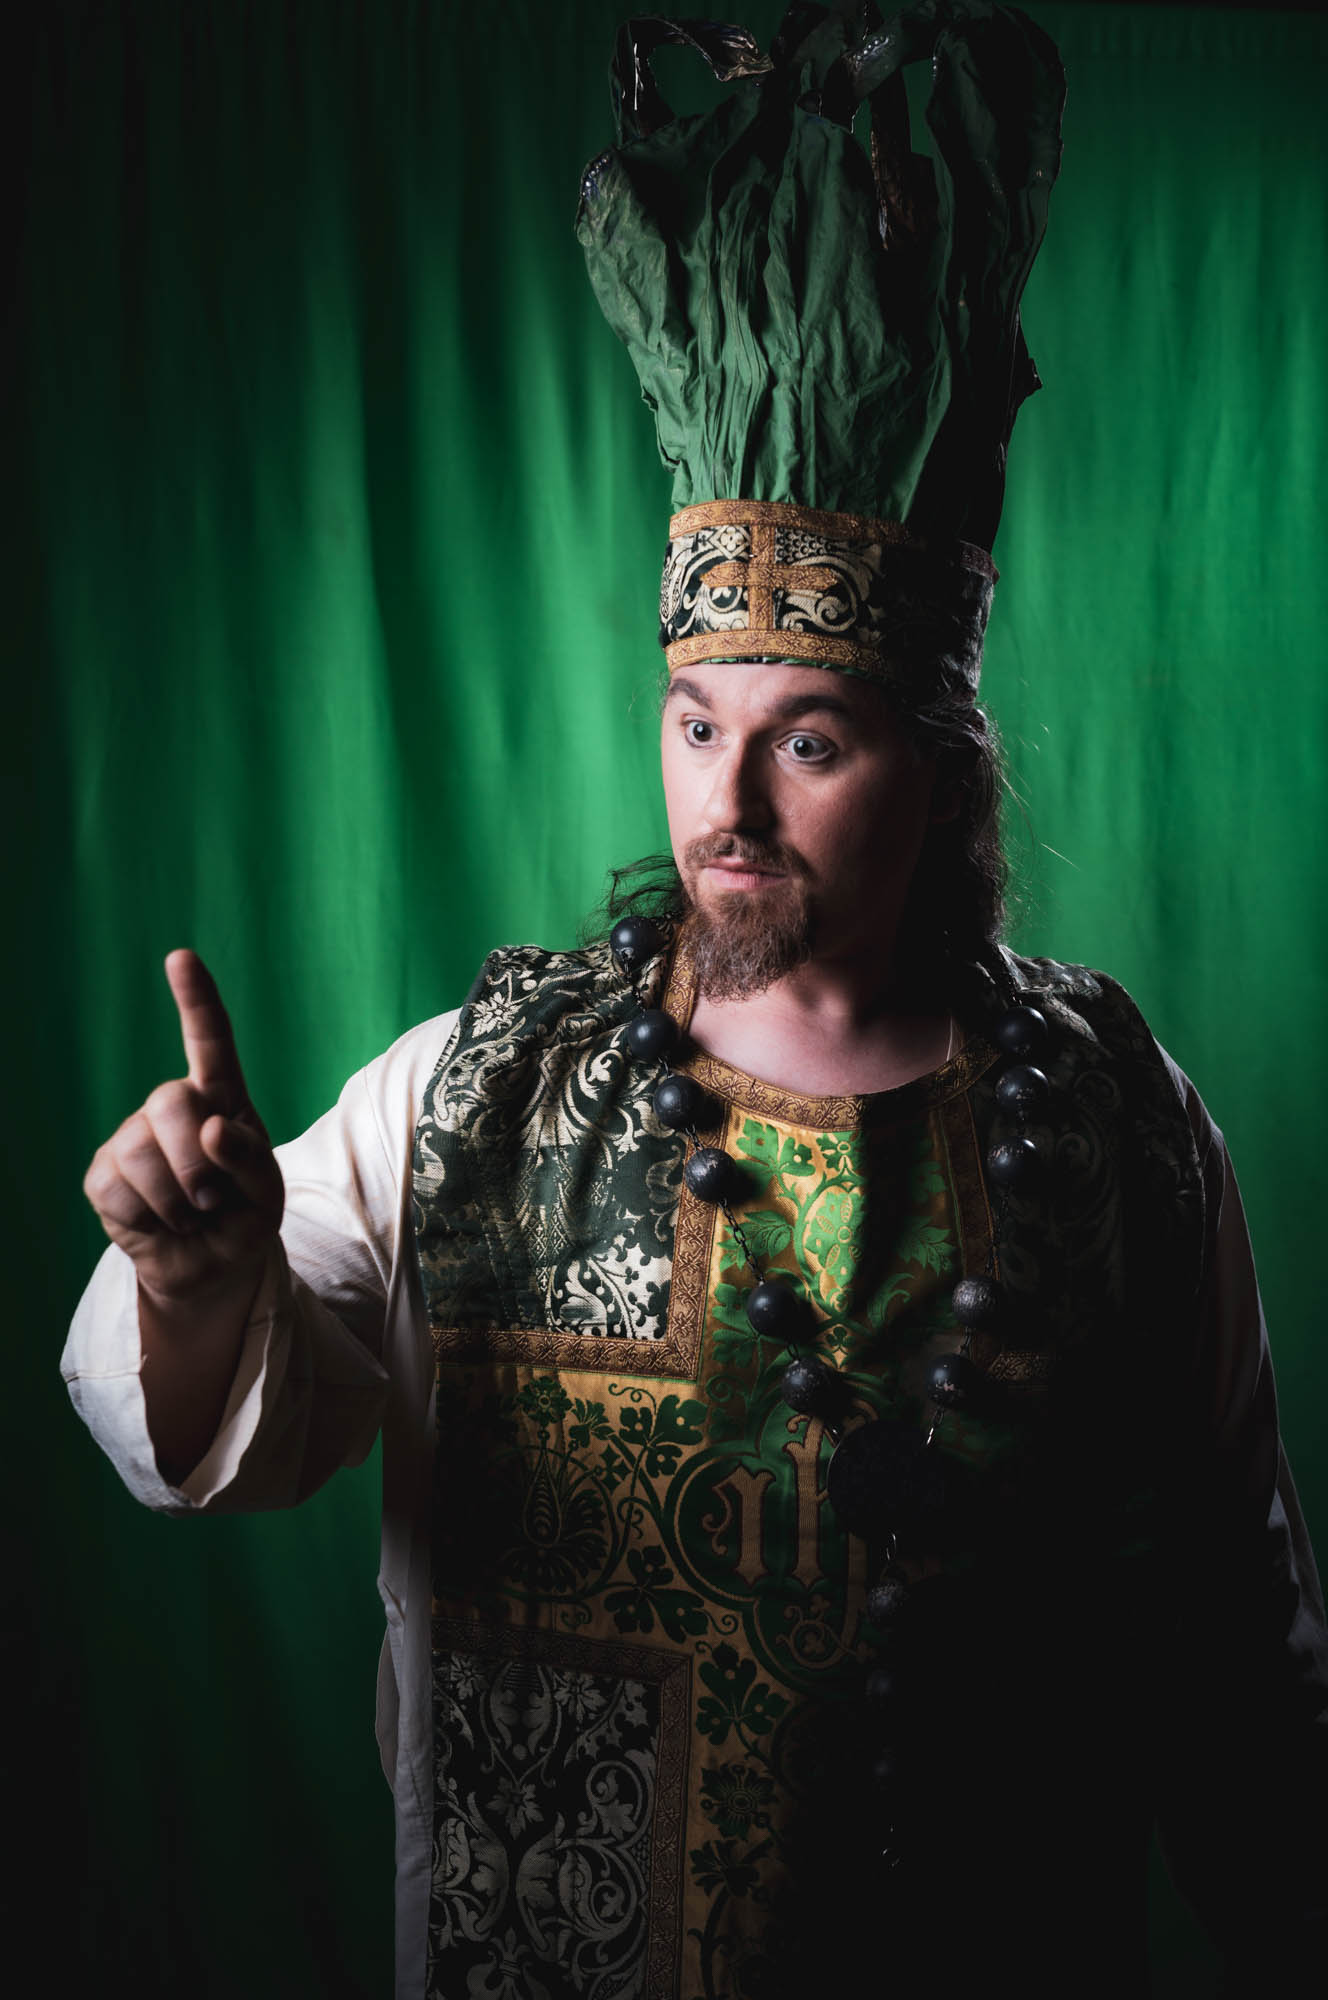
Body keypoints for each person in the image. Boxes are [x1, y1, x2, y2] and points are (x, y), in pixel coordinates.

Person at [62, 5, 1326, 1996]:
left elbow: (1233, 1640)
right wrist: (199, 1267)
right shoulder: (478, 1089)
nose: (724, 803)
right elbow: (228, 1422)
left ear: (941, 762)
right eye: (693, 722)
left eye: (807, 739)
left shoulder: (1102, 1114)